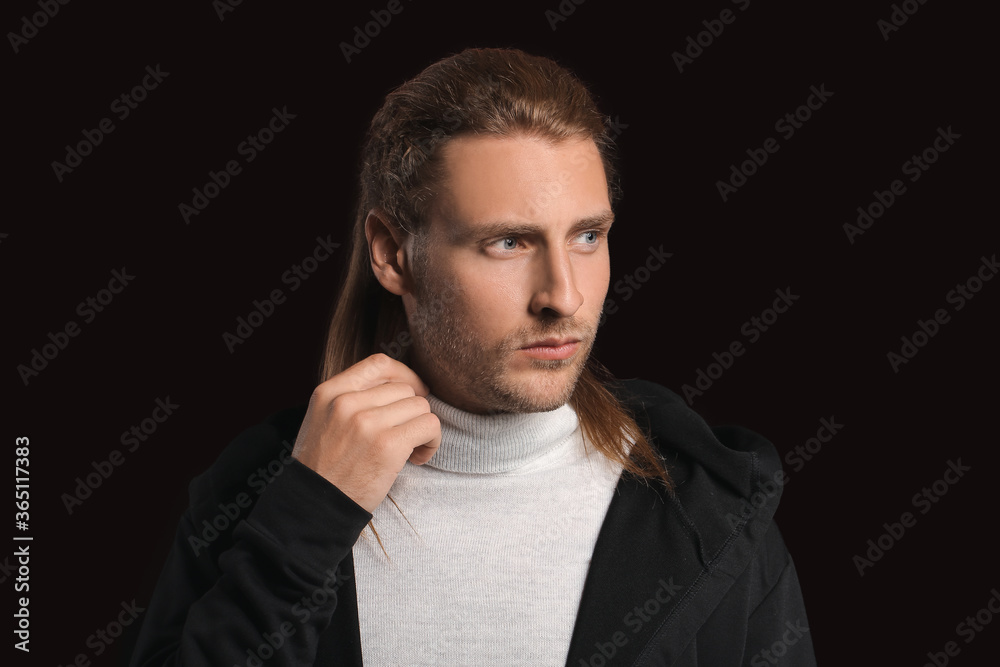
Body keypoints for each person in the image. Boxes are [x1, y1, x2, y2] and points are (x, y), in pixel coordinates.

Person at [130, 47, 816, 666]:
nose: (563, 296)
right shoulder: (256, 492)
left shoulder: (713, 515)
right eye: (508, 243)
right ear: (393, 253)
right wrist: (310, 518)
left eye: (586, 235)